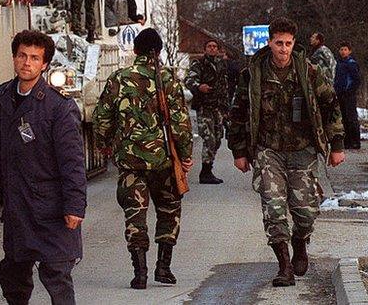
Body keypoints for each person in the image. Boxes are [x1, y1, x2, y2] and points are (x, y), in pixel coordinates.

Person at [228, 16, 344, 287]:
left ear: (294, 44)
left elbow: (331, 105)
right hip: (269, 151)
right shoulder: (253, 75)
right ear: (269, 43)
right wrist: (239, 151)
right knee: (273, 208)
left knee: (306, 212)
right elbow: (237, 113)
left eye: (288, 43)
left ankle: (300, 242)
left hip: (302, 150)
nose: (283, 49)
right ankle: (284, 267)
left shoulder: (309, 71)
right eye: (278, 43)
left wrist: (336, 144)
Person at [0, 30, 87, 305]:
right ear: (14, 58)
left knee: (57, 275)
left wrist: (75, 206)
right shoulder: (2, 98)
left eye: (35, 58)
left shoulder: (59, 107)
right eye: (22, 56)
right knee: (14, 276)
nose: (27, 62)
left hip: (50, 207)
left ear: (45, 64)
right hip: (19, 207)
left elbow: (73, 162)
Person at [93, 28, 193, 290]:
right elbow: (181, 123)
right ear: (158, 51)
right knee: (169, 210)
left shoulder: (118, 78)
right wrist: (185, 156)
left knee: (135, 216)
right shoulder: (169, 79)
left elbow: (102, 119)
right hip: (163, 161)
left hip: (129, 162)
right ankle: (164, 267)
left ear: (135, 50)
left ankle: (140, 273)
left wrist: (103, 145)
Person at [184, 39, 229, 184]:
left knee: (217, 139)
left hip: (218, 107)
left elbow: (225, 86)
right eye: (209, 46)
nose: (212, 49)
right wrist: (199, 87)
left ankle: (209, 167)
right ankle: (205, 171)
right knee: (208, 139)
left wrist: (227, 108)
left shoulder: (221, 64)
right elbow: (189, 81)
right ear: (205, 49)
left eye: (214, 46)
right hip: (204, 107)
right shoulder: (199, 64)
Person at [335, 42, 361, 149]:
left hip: (349, 95)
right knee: (344, 118)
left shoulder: (351, 63)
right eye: (341, 49)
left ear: (349, 51)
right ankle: (347, 141)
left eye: (345, 49)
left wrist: (350, 91)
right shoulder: (339, 63)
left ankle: (355, 141)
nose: (343, 51)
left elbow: (357, 80)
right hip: (340, 94)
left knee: (351, 118)